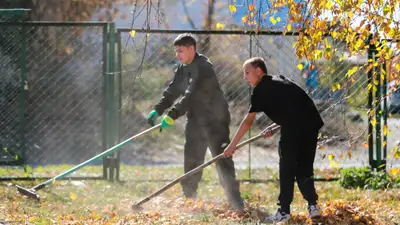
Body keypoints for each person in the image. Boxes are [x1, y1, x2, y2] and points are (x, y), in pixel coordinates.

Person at [146, 33, 244, 212]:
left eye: (181, 51)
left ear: (192, 48)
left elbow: (191, 96)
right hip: (195, 121)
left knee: (222, 159)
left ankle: (236, 202)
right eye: (176, 51)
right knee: (192, 159)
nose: (178, 55)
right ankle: (189, 199)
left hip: (216, 121)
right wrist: (158, 110)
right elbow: (173, 90)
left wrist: (172, 115)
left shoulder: (204, 68)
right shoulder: (183, 68)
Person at [223, 57, 324, 223]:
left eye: (247, 73)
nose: (245, 77)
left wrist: (232, 145)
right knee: (304, 167)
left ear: (258, 71)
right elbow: (295, 110)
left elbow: (248, 121)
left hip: (295, 128)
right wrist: (277, 126)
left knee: (287, 168)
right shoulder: (281, 80)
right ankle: (313, 206)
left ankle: (284, 211)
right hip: (311, 124)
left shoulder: (259, 91)